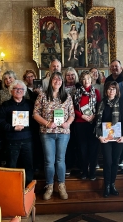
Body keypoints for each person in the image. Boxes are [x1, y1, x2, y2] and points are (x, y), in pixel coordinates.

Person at [33, 72, 75, 200]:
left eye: (59, 79)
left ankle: (61, 185)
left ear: (62, 82)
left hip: (63, 133)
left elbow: (72, 114)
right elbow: (35, 113)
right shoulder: (43, 95)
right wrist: (47, 123)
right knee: (49, 161)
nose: (57, 81)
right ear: (51, 80)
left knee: (60, 160)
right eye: (55, 78)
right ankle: (49, 186)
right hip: (47, 133)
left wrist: (67, 123)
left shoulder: (66, 96)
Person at [0, 80, 34, 185]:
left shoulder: (30, 104)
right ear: (11, 91)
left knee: (28, 166)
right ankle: (12, 188)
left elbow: (35, 120)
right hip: (11, 141)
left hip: (28, 140)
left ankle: (28, 189)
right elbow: (0, 122)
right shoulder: (5, 105)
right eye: (16, 89)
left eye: (21, 89)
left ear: (25, 91)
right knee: (11, 166)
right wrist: (12, 128)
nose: (19, 91)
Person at [95, 81, 123, 198]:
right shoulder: (101, 103)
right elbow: (97, 122)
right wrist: (100, 136)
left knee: (115, 161)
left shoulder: (121, 103)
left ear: (117, 91)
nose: (111, 91)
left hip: (118, 138)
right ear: (105, 91)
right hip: (105, 138)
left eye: (114, 89)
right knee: (108, 162)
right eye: (109, 89)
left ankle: (113, 184)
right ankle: (107, 185)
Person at [73, 71, 101, 180]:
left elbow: (99, 106)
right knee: (82, 148)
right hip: (80, 123)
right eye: (84, 79)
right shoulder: (76, 92)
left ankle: (92, 172)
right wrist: (82, 116)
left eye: (88, 79)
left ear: (91, 80)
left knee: (93, 149)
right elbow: (73, 108)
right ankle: (84, 171)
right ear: (81, 80)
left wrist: (94, 116)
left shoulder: (96, 92)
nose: (86, 81)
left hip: (93, 123)